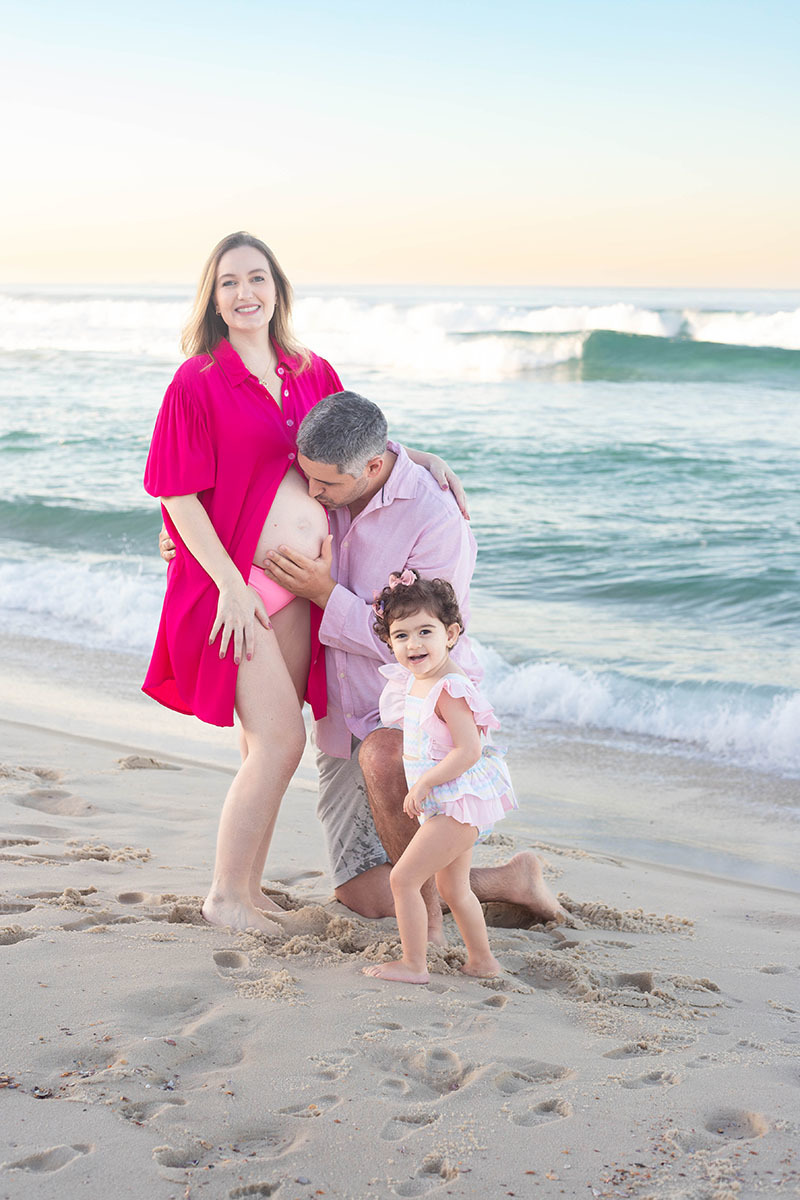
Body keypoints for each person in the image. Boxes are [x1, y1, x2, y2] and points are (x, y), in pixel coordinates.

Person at [144, 233, 459, 935]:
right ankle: (225, 895)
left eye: (257, 278)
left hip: (302, 587)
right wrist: (227, 583)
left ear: (278, 289)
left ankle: (250, 891)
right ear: (213, 297)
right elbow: (178, 494)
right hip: (241, 589)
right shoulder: (197, 380)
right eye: (229, 282)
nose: (244, 293)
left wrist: (421, 457)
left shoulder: (311, 370)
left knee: (266, 746)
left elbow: (359, 442)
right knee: (283, 743)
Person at [262, 392, 566, 940]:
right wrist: (179, 540)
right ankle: (508, 880)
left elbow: (419, 647)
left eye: (327, 484)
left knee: (382, 753)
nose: (313, 493)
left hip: (423, 706)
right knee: (361, 895)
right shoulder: (335, 469)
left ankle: (426, 927)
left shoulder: (436, 520)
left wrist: (323, 593)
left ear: (374, 467)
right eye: (308, 478)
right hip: (345, 707)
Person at [363, 570, 517, 984]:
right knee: (453, 888)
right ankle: (483, 961)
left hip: (456, 801)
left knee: (404, 878)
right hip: (446, 802)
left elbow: (469, 750)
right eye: (401, 635)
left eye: (425, 631)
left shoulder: (448, 687)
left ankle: (413, 963)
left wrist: (426, 782)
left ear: (450, 634)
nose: (413, 644)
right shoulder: (418, 681)